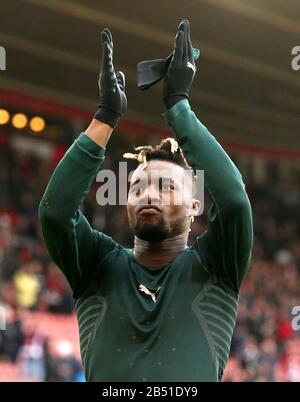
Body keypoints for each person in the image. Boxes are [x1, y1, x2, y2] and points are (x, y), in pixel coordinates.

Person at [39, 20, 253, 382]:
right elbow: (55, 213)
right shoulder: (96, 265)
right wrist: (104, 118)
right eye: (136, 188)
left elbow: (233, 200)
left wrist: (178, 107)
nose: (148, 194)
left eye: (167, 187)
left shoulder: (217, 267)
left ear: (195, 206)